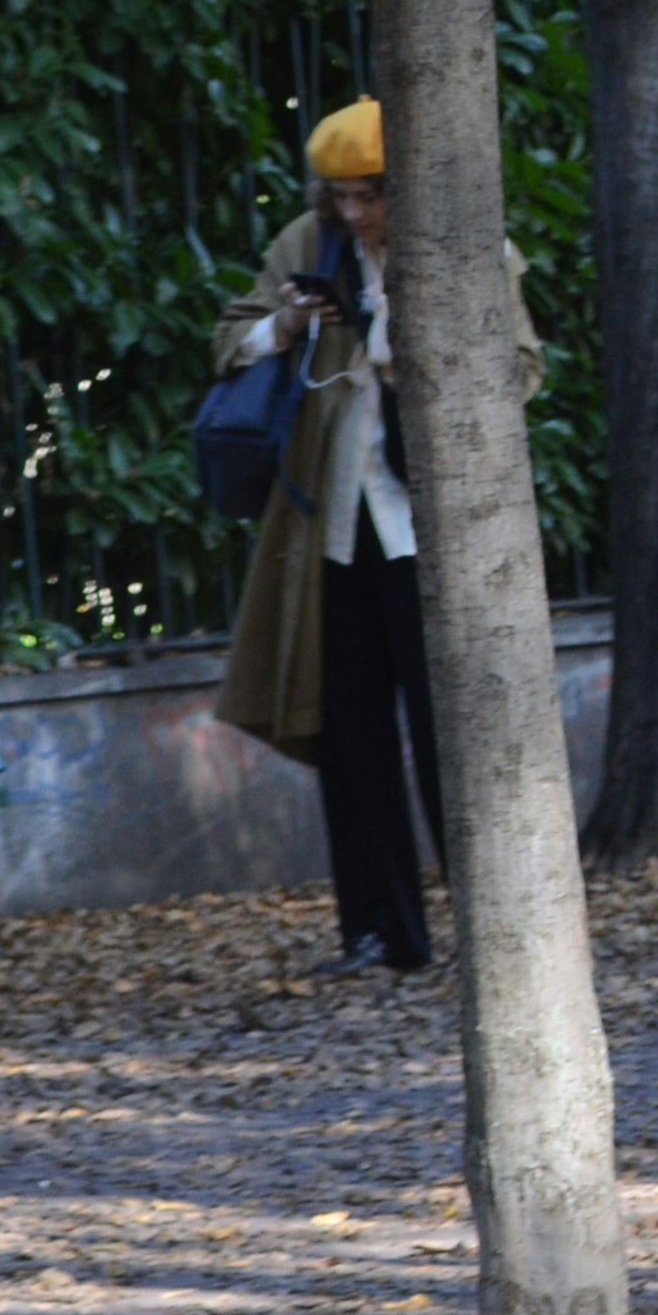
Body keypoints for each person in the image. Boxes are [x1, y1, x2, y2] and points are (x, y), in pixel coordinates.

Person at [212, 102, 470, 971]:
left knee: (455, 741)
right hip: (332, 531)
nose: (355, 215)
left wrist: (398, 331)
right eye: (340, 198)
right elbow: (228, 341)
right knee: (350, 735)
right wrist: (285, 326)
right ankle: (380, 932)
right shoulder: (305, 243)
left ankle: (490, 933)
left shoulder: (468, 243)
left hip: (433, 536)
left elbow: (518, 368)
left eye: (372, 197)